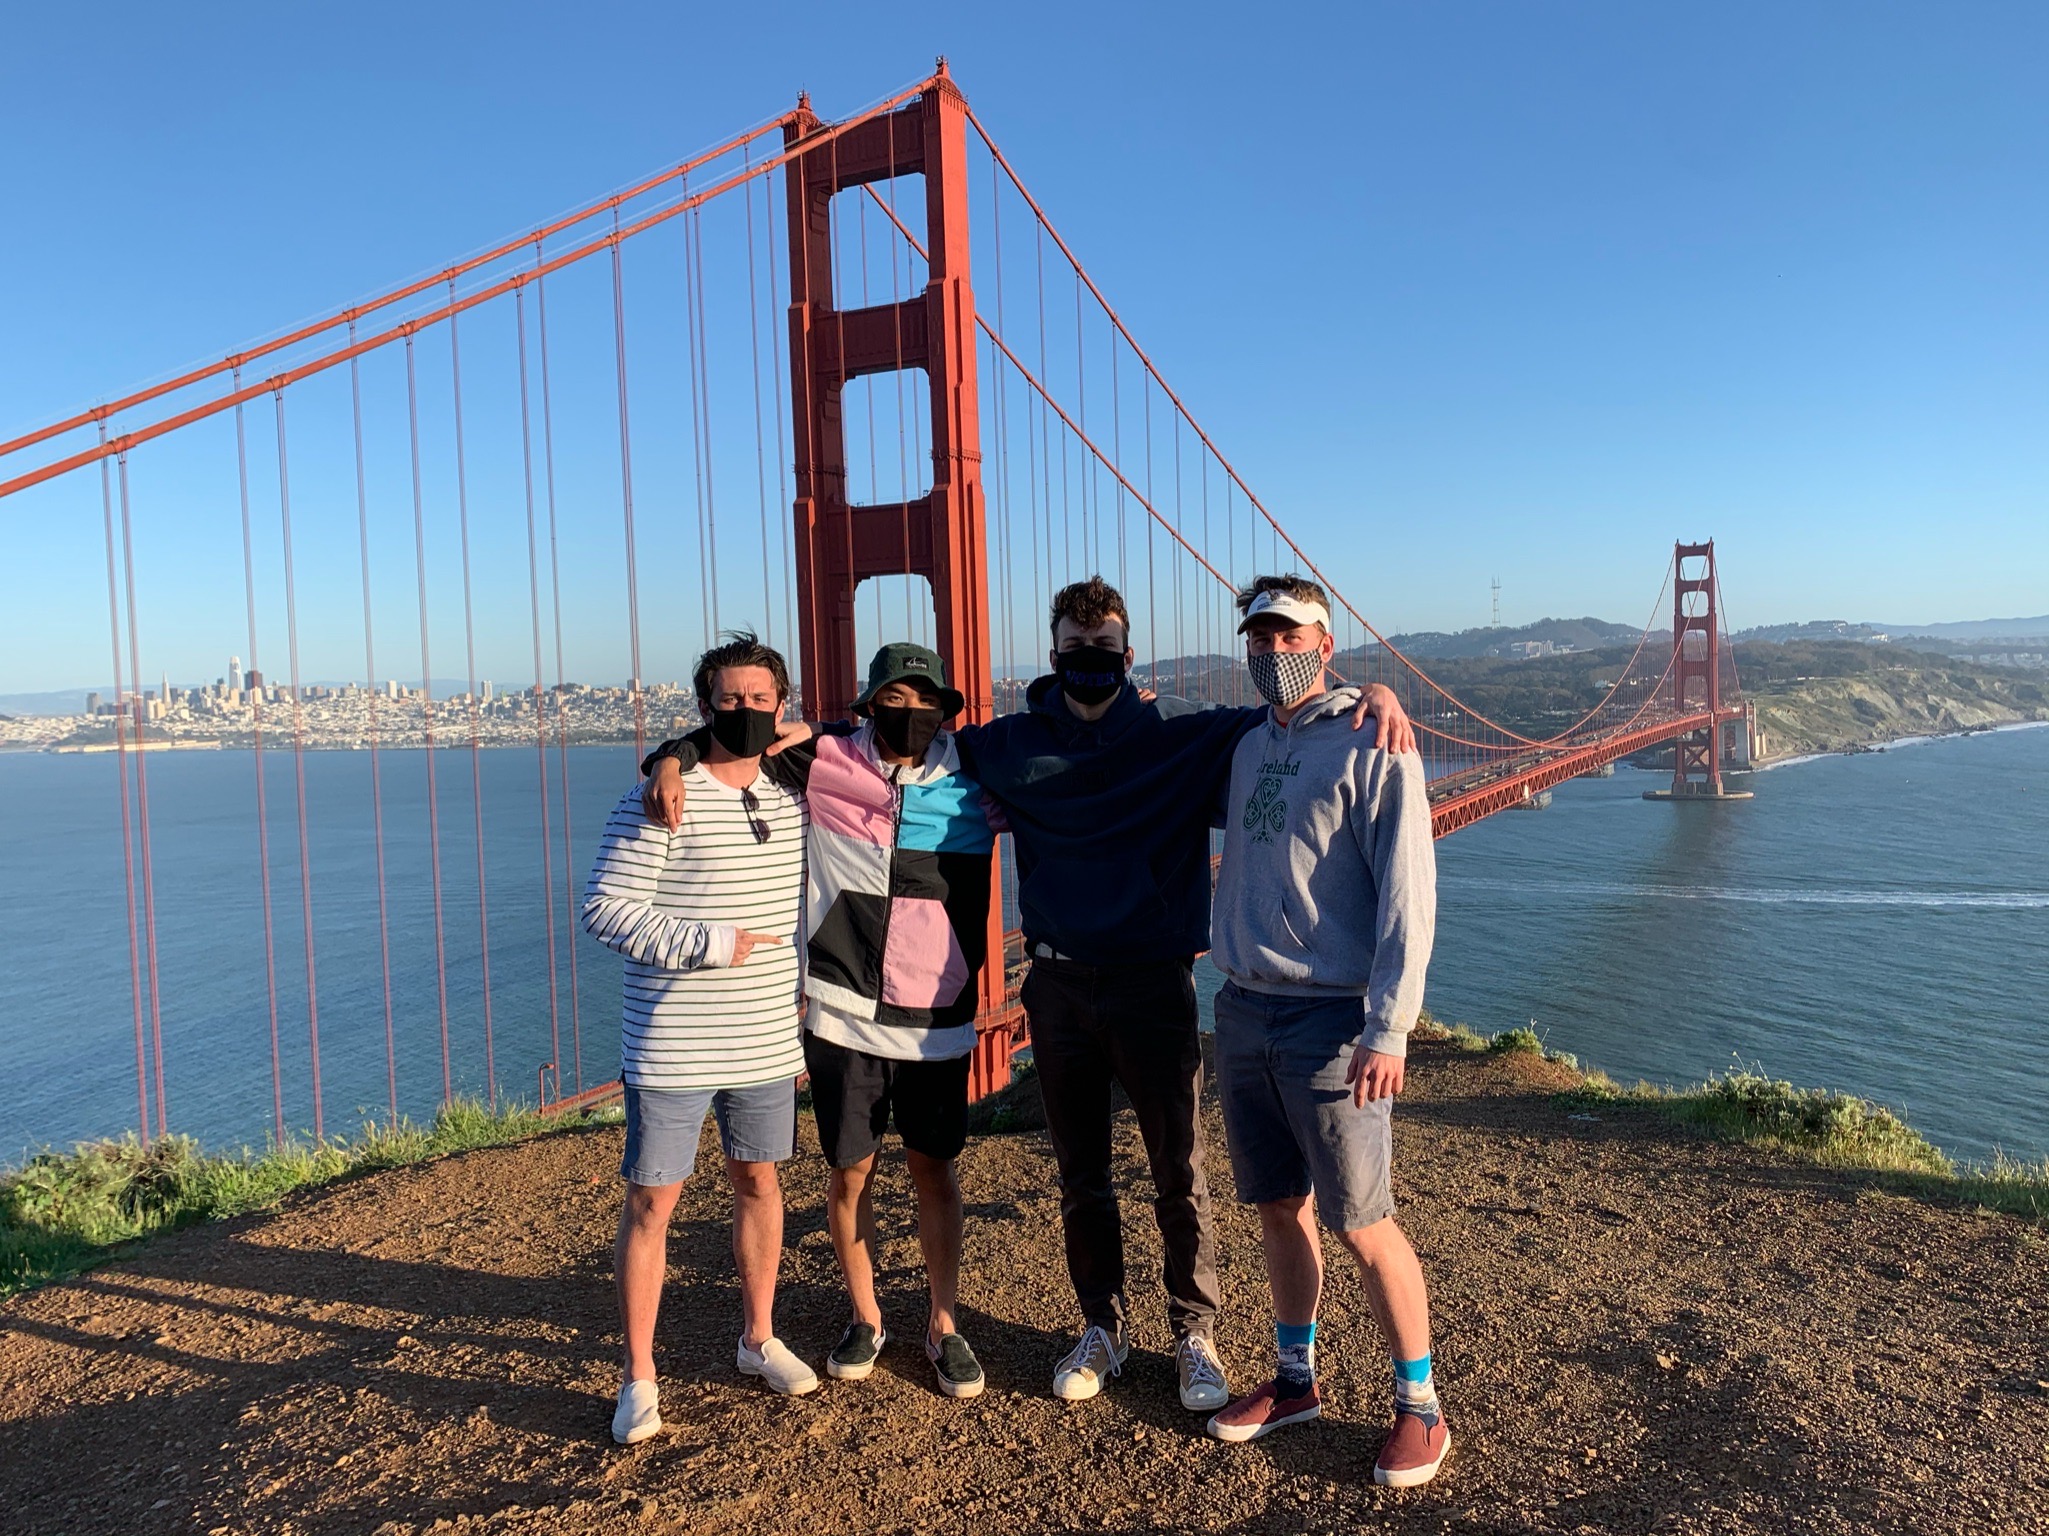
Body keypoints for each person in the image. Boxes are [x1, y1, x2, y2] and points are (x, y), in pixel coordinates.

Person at [642, 576, 1417, 1415]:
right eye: (1078, 650)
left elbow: (1294, 725)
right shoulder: (1001, 747)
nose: (1093, 661)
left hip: (1153, 982)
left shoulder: (1192, 741)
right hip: (1052, 984)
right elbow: (791, 739)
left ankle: (1194, 1333)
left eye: (1107, 649)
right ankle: (1102, 1327)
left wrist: (1370, 691)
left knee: (1177, 1172)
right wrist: (675, 753)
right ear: (1054, 657)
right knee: (1080, 1173)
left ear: (1129, 657)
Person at [639, 642, 999, 1400]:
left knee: (935, 1170)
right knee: (849, 1173)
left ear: (946, 708)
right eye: (893, 703)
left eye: (925, 702)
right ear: (867, 707)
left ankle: (942, 1323)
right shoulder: (826, 760)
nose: (910, 716)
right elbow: (731, 739)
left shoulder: (980, 778)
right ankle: (866, 1317)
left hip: (937, 1015)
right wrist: (665, 759)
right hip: (839, 1013)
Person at [1201, 575, 1448, 1490]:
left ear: (1325, 643)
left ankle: (1420, 1407)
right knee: (1276, 1206)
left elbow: (1407, 898)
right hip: (1240, 1008)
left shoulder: (1375, 739)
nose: (1270, 652)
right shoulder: (1244, 744)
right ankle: (1295, 1381)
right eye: (1258, 638)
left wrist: (1390, 1028)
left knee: (1362, 1221)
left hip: (1333, 1021)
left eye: (1287, 635)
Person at [581, 631, 818, 1447]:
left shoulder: (796, 798)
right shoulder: (655, 800)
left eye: (761, 699)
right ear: (703, 705)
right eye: (730, 699)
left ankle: (757, 1339)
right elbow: (604, 911)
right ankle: (638, 1378)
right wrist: (710, 941)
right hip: (672, 1041)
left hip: (763, 1040)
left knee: (759, 1184)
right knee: (652, 1203)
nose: (746, 710)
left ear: (781, 707)